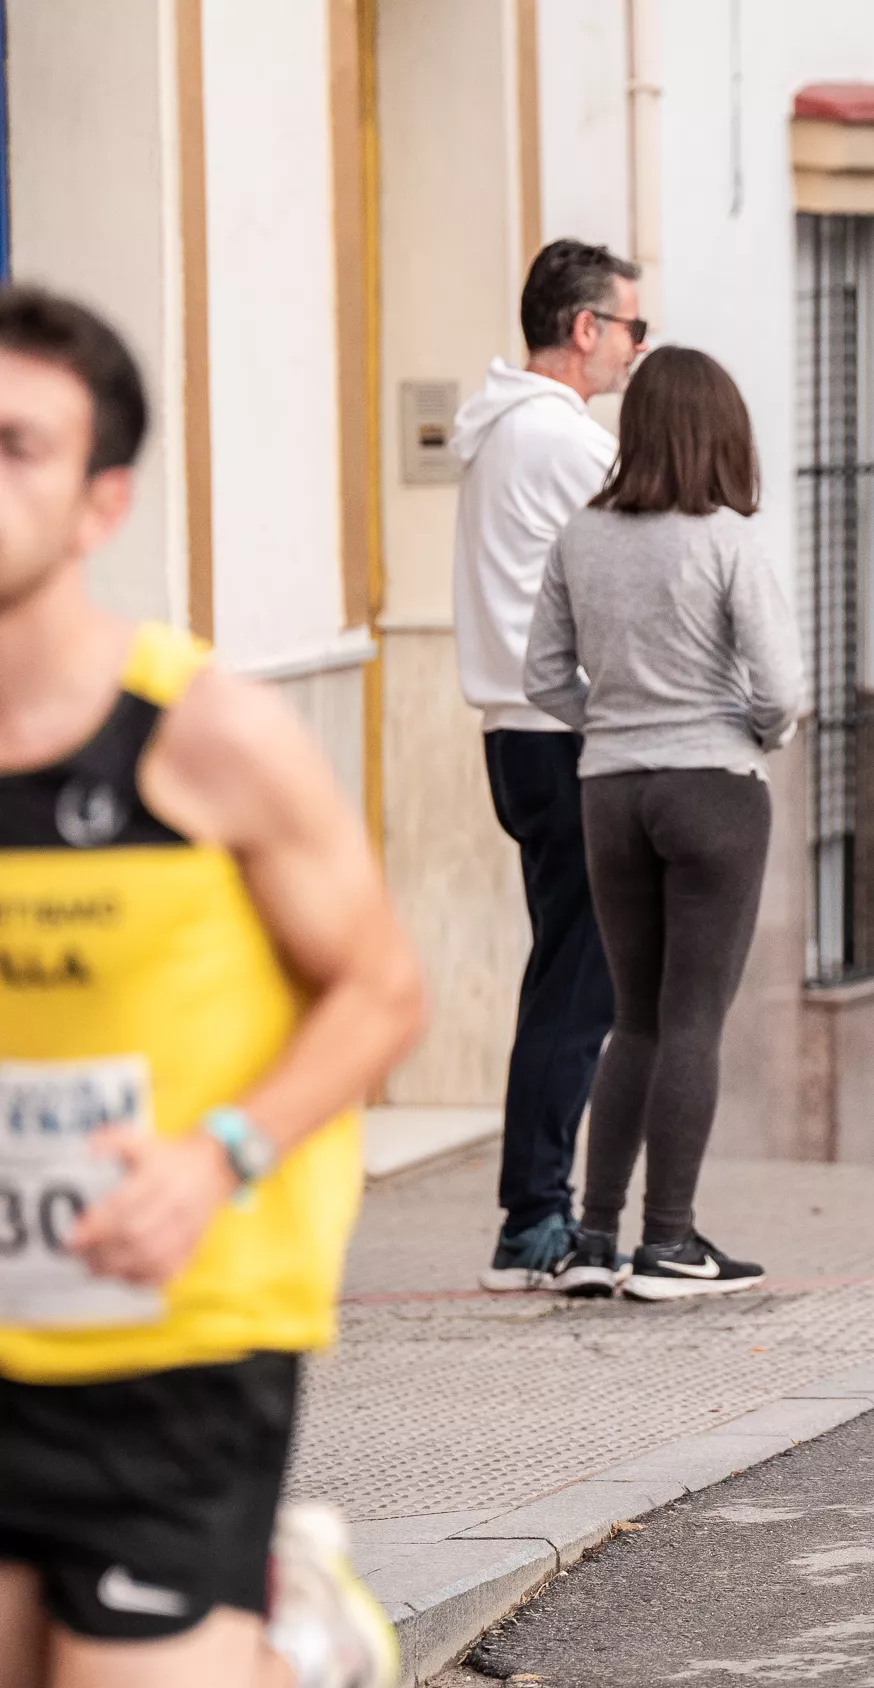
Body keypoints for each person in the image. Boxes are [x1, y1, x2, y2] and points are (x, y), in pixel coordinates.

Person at [0, 287, 425, 1686]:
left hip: (173, 1349)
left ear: (100, 504)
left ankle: (290, 1643)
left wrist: (213, 1157)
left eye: (16, 448)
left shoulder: (201, 739)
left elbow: (379, 992)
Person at [522, 347, 803, 1300]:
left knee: (632, 1019)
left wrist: (609, 725)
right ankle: (671, 1242)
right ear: (719, 432)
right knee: (693, 1021)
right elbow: (781, 689)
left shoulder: (579, 536)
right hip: (713, 789)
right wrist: (750, 732)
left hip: (609, 790)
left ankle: (595, 1240)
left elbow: (541, 677)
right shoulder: (724, 539)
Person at [452, 238, 646, 1292]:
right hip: (562, 732)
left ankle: (536, 1209)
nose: (634, 349)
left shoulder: (499, 431)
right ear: (584, 329)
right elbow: (659, 525)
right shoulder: (559, 440)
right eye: (630, 327)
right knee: (581, 984)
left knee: (564, 975)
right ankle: (534, 1220)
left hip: (513, 731)